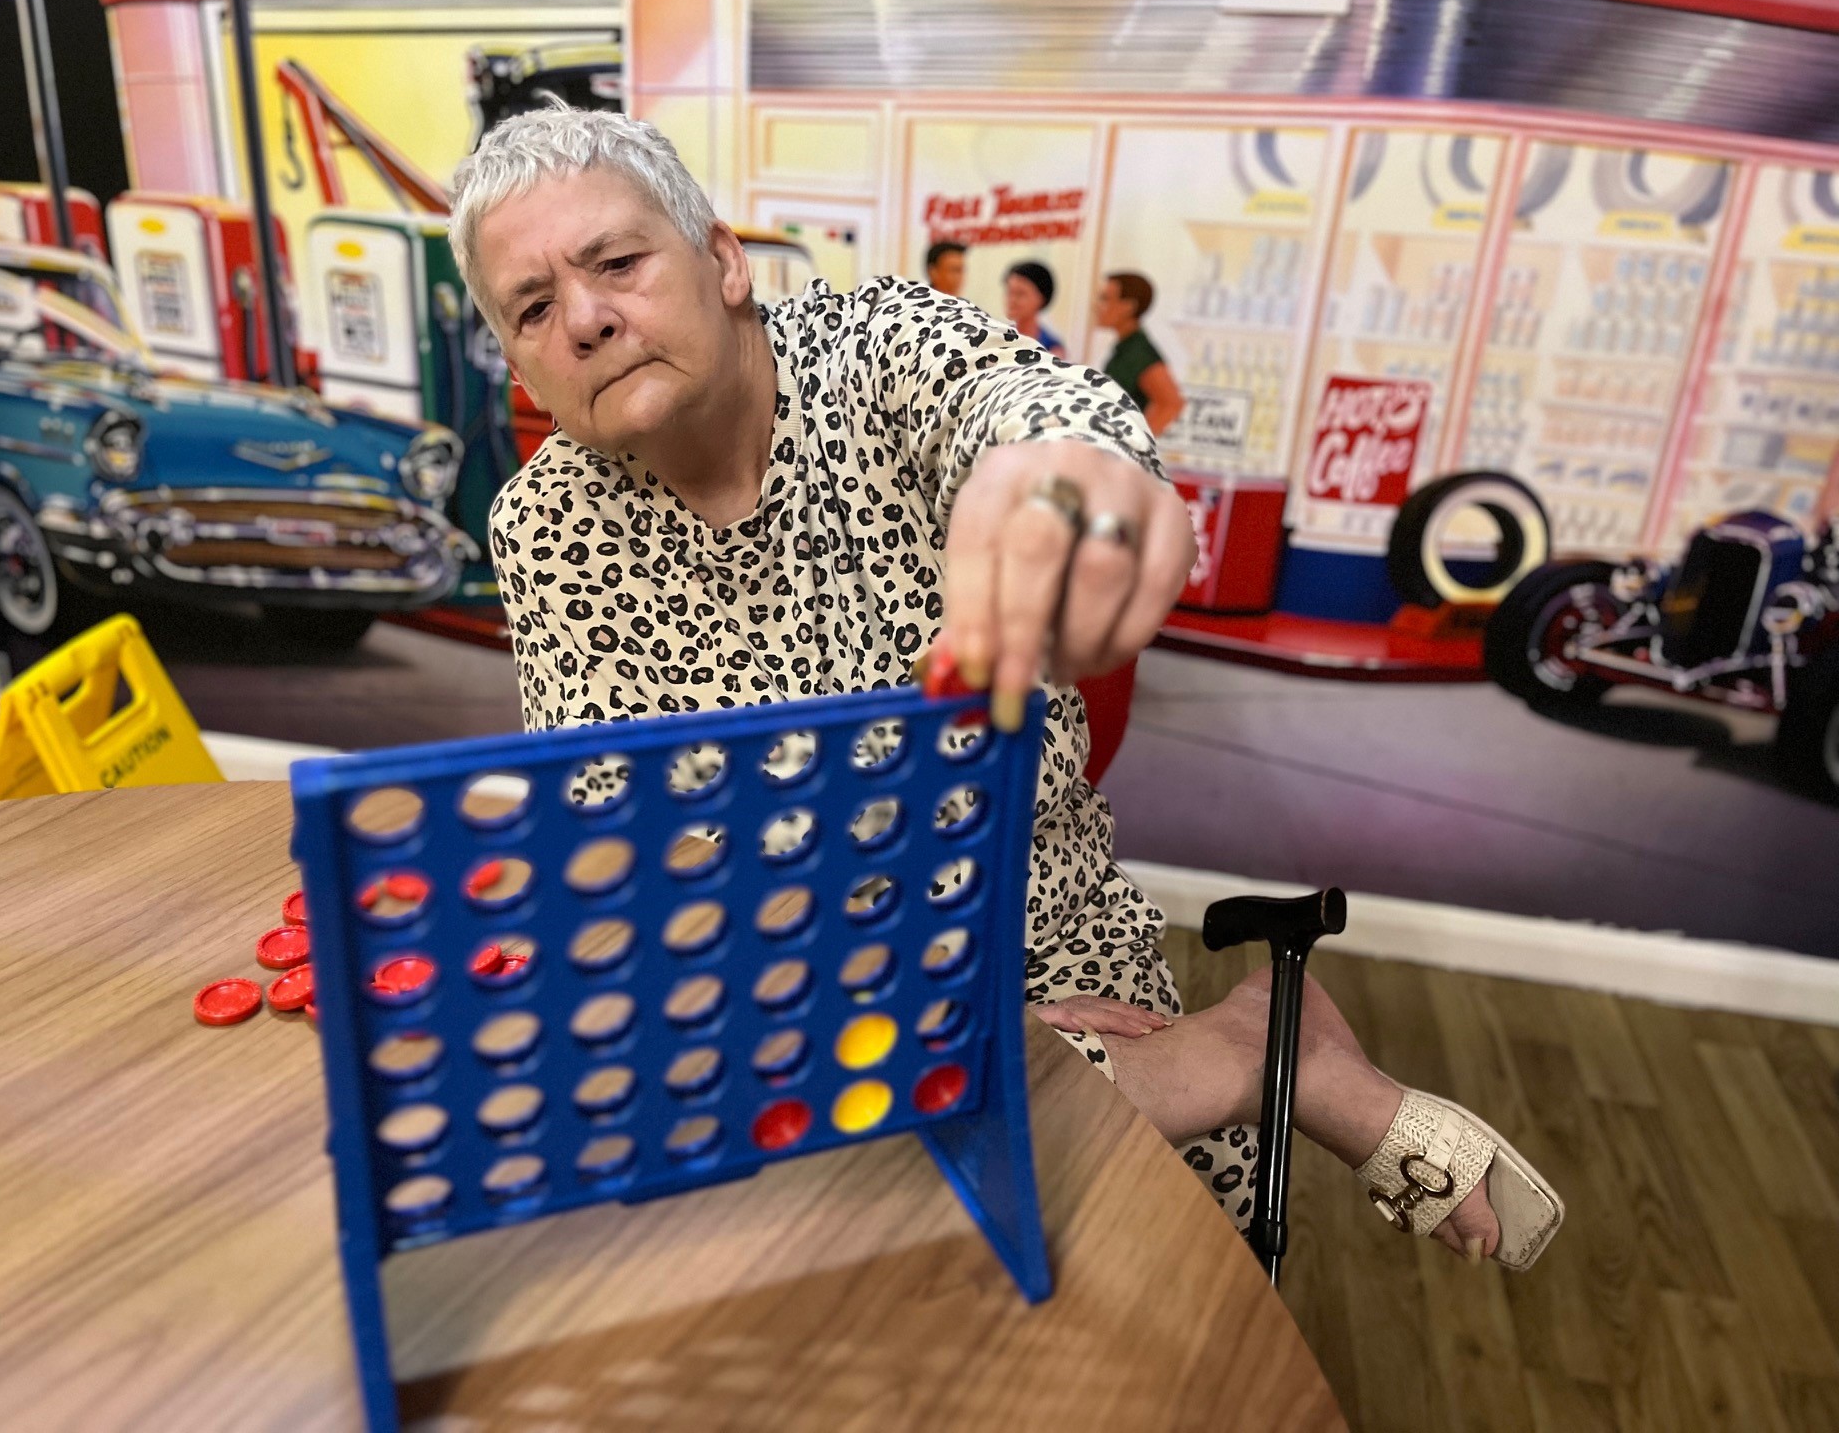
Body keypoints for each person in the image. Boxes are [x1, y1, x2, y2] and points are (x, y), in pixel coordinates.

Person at [450, 106, 1563, 1270]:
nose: (586, 318)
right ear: (522, 364)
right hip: (798, 987)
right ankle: (1228, 1055)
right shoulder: (543, 527)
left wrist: (1073, 486)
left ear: (723, 262)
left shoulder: (877, 349)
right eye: (533, 307)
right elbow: (633, 844)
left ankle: (1223, 1056)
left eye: (617, 262)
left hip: (1036, 951)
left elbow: (1032, 412)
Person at [1096, 271, 1185, 435]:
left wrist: (1138, 442)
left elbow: (1172, 403)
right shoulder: (1124, 347)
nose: (1098, 306)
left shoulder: (1138, 352)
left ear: (1128, 307)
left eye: (1105, 299)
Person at [1004, 260, 1065, 358]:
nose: (1012, 300)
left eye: (1020, 294)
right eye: (1010, 292)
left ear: (1041, 298)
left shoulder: (1052, 349)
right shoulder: (998, 336)